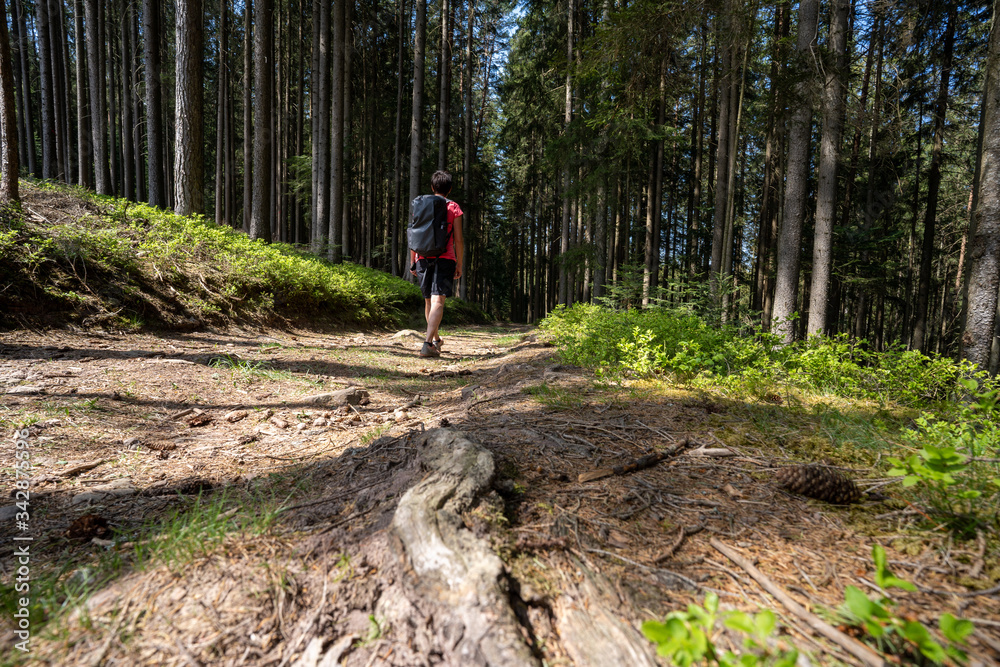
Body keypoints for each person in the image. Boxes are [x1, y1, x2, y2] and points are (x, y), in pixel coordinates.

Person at [410, 170, 464, 358]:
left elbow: (415, 234)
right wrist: (459, 263)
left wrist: (413, 262)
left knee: (428, 301)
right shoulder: (454, 207)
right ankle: (427, 343)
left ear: (432, 187)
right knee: (438, 300)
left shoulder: (420, 205)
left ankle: (435, 340)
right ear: (449, 189)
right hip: (445, 258)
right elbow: (458, 240)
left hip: (422, 258)